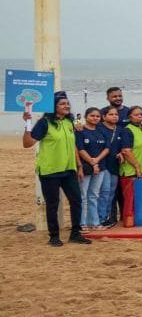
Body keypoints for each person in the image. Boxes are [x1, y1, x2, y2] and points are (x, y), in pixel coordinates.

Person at [24, 91, 90, 246]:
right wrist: (27, 125)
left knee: (76, 201)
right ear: (54, 107)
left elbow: (73, 145)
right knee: (53, 204)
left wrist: (79, 166)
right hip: (50, 170)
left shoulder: (69, 123)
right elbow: (27, 143)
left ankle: (75, 233)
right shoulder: (44, 122)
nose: (66, 106)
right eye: (62, 104)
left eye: (67, 103)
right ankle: (54, 236)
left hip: (69, 170)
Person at [118, 106, 142, 227]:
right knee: (131, 200)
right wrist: (136, 167)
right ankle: (128, 221)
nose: (139, 116)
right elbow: (126, 151)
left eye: (141, 114)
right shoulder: (127, 130)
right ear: (130, 117)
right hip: (132, 171)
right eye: (136, 114)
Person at [75, 107, 110, 230]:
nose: (95, 118)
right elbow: (80, 149)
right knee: (83, 195)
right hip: (85, 168)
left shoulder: (101, 131)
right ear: (86, 117)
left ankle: (94, 223)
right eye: (92, 116)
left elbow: (107, 148)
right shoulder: (80, 131)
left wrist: (97, 161)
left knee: (94, 195)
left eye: (97, 116)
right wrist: (91, 162)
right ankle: (82, 223)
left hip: (100, 167)